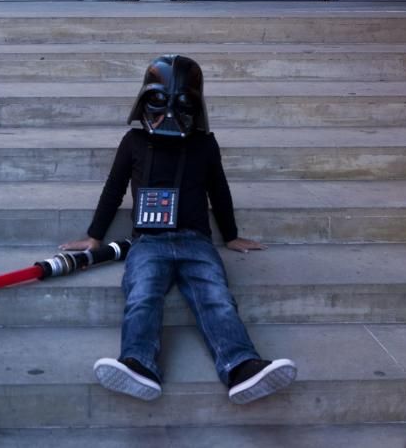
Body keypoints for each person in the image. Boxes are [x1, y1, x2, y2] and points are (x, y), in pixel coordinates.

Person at [60, 55, 297, 405]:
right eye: (157, 103)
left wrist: (230, 234)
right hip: (148, 242)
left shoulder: (204, 144)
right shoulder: (134, 142)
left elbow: (219, 189)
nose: (167, 114)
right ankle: (138, 363)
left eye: (180, 104)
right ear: (144, 100)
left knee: (216, 297)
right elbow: (114, 188)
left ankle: (241, 365)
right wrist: (95, 235)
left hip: (195, 241)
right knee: (142, 294)